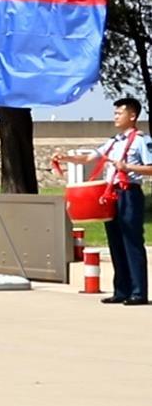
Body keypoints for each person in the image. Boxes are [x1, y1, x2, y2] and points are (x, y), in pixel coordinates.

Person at [56, 98, 150, 305]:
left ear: (132, 116)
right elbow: (91, 158)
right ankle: (122, 290)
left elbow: (150, 168)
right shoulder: (114, 141)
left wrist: (128, 168)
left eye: (119, 113)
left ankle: (139, 291)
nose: (115, 117)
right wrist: (66, 158)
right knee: (115, 241)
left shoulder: (142, 141)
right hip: (111, 194)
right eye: (115, 113)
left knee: (132, 242)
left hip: (129, 193)